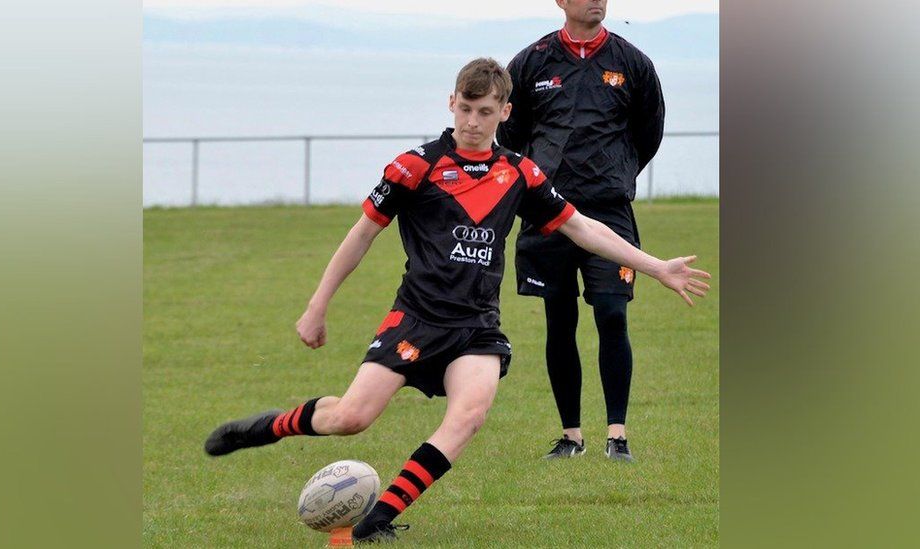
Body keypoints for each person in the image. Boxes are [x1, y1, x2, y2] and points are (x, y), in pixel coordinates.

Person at [204, 58, 708, 544]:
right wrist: (317, 306)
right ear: (451, 103)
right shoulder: (414, 167)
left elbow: (582, 227)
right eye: (465, 108)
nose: (472, 121)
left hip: (476, 328)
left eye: (485, 111)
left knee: (468, 416)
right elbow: (360, 237)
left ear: (504, 113)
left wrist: (656, 265)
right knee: (350, 418)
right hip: (416, 318)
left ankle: (376, 520)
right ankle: (269, 427)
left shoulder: (520, 174)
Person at [498, 0, 666, 462]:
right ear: (561, 1)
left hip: (609, 211)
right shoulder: (532, 61)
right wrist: (543, 175)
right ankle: (571, 436)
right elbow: (511, 133)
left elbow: (649, 132)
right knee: (560, 319)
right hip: (548, 211)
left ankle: (618, 435)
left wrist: (618, 172)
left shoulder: (633, 63)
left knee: (612, 313)